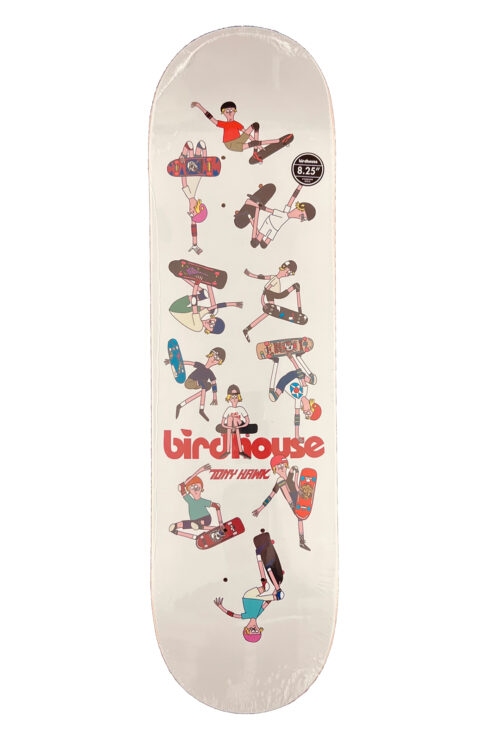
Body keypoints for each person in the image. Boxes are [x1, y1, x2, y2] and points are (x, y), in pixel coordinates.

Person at [214, 536, 284, 643]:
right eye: (257, 630)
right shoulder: (257, 614)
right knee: (266, 587)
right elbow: (266, 603)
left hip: (249, 597)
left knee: (274, 594)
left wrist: (221, 607)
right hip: (257, 597)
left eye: (252, 630)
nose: (254, 627)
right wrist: (274, 592)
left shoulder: (246, 616)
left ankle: (274, 582)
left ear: (246, 628)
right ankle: (259, 554)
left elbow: (233, 615)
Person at [191, 100, 292, 163]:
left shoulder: (237, 124)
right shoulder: (223, 124)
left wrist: (257, 143)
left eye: (232, 110)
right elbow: (211, 118)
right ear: (223, 113)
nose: (230, 113)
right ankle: (278, 141)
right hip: (231, 144)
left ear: (234, 111)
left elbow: (247, 133)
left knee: (255, 125)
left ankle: (255, 152)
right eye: (227, 111)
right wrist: (199, 106)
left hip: (239, 139)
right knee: (253, 143)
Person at [252, 455, 312, 551]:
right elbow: (270, 496)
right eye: (278, 466)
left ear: (286, 466)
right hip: (292, 502)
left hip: (299, 497)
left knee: (300, 518)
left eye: (282, 465)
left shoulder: (290, 477)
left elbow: (292, 472)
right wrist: (260, 509)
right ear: (275, 469)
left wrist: (295, 471)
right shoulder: (280, 481)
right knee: (280, 480)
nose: (281, 468)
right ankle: (293, 504)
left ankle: (301, 542)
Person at [238, 183, 316, 248]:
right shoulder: (285, 212)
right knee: (254, 243)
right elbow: (293, 197)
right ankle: (253, 210)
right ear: (300, 208)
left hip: (275, 229)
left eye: (303, 218)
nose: (300, 218)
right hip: (269, 223)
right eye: (302, 216)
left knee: (264, 245)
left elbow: (293, 198)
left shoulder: (287, 213)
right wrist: (300, 185)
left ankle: (253, 212)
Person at [242, 260, 301, 341]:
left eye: (288, 274)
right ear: (283, 268)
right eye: (287, 272)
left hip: (271, 295)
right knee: (296, 286)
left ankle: (247, 329)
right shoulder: (275, 279)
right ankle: (299, 311)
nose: (286, 274)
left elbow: (262, 277)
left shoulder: (273, 277)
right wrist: (263, 302)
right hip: (274, 294)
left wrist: (251, 274)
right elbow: (265, 290)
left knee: (268, 312)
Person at [167, 347, 226, 421]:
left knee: (208, 385)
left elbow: (214, 384)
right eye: (214, 356)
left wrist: (215, 398)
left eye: (217, 359)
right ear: (210, 355)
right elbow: (189, 363)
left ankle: (181, 405)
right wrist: (172, 361)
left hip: (199, 385)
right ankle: (201, 410)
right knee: (204, 383)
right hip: (189, 382)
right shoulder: (200, 365)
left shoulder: (210, 373)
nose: (214, 359)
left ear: (218, 362)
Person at [169, 277, 242, 334]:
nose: (209, 323)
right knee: (213, 309)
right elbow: (215, 306)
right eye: (212, 321)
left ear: (209, 330)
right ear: (213, 318)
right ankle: (208, 283)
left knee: (210, 309)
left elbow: (194, 304)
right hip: (185, 310)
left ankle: (183, 277)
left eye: (211, 326)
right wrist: (234, 304)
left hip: (176, 309)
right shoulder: (202, 317)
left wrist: (196, 284)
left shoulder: (198, 327)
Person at [169, 464, 224, 541]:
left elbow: (217, 506)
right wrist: (200, 470)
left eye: (197, 487)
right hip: (194, 522)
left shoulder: (202, 501)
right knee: (175, 526)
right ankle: (195, 537)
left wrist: (221, 523)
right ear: (189, 491)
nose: (195, 490)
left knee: (198, 523)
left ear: (201, 488)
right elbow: (181, 487)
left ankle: (215, 529)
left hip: (205, 519)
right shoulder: (189, 500)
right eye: (192, 488)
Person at [220, 384, 251, 459]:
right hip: (232, 426)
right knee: (230, 418)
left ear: (238, 398)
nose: (234, 399)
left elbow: (247, 421)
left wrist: (239, 426)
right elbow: (222, 423)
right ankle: (228, 450)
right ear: (229, 398)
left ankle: (240, 450)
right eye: (232, 397)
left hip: (240, 424)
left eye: (236, 397)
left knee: (234, 419)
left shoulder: (241, 408)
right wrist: (229, 427)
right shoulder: (228, 409)